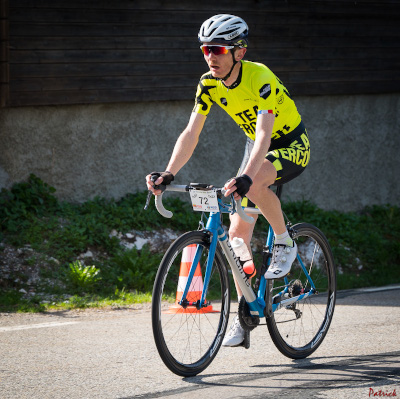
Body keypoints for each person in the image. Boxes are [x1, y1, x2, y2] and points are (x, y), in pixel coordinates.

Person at [146, 14, 310, 347]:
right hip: (256, 150)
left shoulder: (259, 76)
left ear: (239, 51)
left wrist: (249, 176)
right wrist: (168, 172)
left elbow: (265, 131)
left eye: (218, 49)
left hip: (289, 145)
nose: (210, 56)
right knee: (236, 236)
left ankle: (286, 241)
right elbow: (191, 132)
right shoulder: (208, 83)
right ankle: (246, 313)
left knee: (257, 182)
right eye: (206, 49)